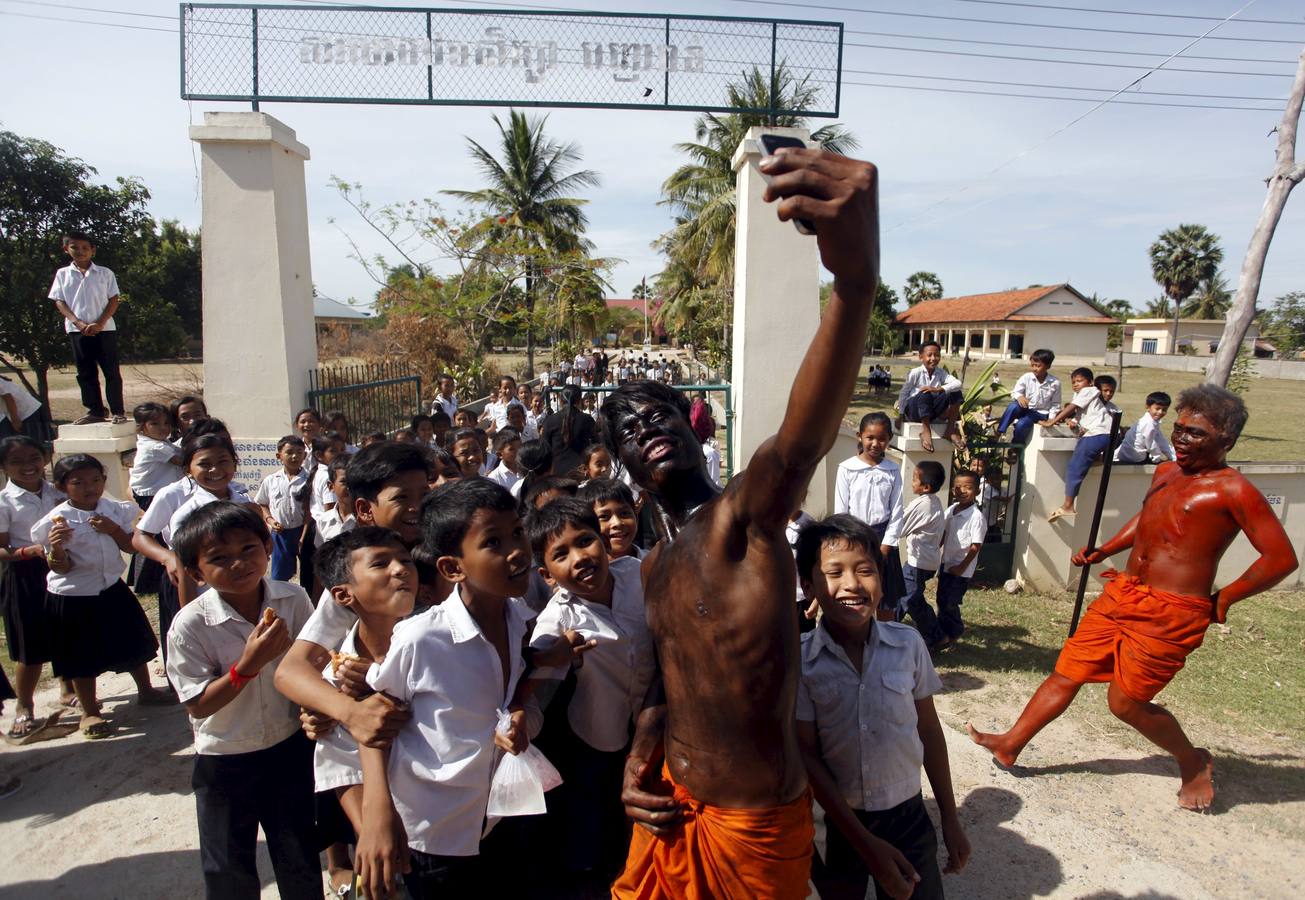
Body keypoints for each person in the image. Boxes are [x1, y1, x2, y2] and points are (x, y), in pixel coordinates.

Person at [604, 148, 918, 898]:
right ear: (620, 465)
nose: (644, 428)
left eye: (658, 416)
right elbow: (675, 686)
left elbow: (798, 440)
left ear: (692, 428)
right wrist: (637, 760)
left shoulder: (741, 519)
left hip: (751, 826)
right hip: (672, 815)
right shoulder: (653, 563)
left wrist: (853, 283)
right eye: (626, 429)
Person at [970, 385, 1298, 811]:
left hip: (1172, 612)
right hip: (1123, 593)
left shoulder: (1234, 490)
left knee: (1125, 703)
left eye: (1195, 433)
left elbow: (1281, 558)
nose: (1181, 438)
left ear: (1226, 440)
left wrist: (1225, 599)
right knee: (1066, 671)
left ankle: (1193, 762)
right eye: (1179, 429)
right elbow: (1148, 519)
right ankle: (1011, 743)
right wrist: (1105, 550)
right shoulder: (1166, 472)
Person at [354, 479, 539, 899]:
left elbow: (512, 685)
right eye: (493, 542)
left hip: (499, 813)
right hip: (435, 832)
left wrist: (518, 706)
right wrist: (377, 813)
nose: (516, 550)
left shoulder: (519, 617)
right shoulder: (421, 638)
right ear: (453, 568)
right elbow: (373, 724)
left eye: (517, 532)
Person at [795, 515, 969, 900]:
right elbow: (806, 756)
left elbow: (929, 733)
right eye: (833, 573)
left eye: (865, 571)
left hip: (908, 817)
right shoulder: (802, 663)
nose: (852, 584)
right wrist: (865, 844)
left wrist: (951, 821)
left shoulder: (908, 645)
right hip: (838, 823)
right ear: (808, 586)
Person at [167, 502, 320, 899]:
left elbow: (312, 663)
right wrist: (248, 664)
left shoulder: (293, 598)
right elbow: (198, 704)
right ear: (197, 572)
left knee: (298, 853)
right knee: (228, 867)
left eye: (248, 549)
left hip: (288, 747)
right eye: (219, 558)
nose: (238, 563)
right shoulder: (190, 625)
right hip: (225, 758)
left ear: (268, 547)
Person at [525, 498, 655, 888]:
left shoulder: (639, 575)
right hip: (600, 737)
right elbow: (531, 677)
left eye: (585, 541)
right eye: (560, 555)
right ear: (547, 575)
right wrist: (551, 656)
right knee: (607, 825)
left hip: (656, 722)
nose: (579, 558)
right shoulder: (557, 620)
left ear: (603, 540)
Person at [272, 442, 427, 764]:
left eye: (425, 494)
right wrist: (342, 709)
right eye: (402, 497)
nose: (418, 507)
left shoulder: (453, 560)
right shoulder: (360, 581)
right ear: (365, 509)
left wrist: (378, 676)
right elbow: (292, 670)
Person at [31, 454, 172, 738]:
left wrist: (114, 530)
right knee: (81, 654)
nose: (89, 487)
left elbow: (131, 547)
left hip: (110, 587)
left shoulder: (113, 510)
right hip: (74, 595)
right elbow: (61, 567)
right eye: (78, 482)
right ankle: (90, 711)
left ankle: (145, 691)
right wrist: (56, 549)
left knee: (132, 640)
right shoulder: (55, 522)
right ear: (61, 486)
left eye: (95, 480)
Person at [311, 527, 419, 899]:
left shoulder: (436, 645)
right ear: (344, 594)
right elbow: (339, 765)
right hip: (393, 844)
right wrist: (372, 828)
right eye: (381, 564)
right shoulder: (336, 678)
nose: (401, 569)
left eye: (405, 560)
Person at [0, 436, 76, 740]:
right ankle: (25, 705)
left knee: (66, 632)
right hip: (25, 574)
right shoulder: (4, 502)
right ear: (4, 466)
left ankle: (67, 687)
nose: (28, 467)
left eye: (33, 458)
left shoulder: (58, 492)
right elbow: (2, 549)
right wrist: (28, 551)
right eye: (16, 462)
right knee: (30, 646)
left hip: (63, 567)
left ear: (45, 457)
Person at [48, 232, 125, 425]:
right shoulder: (63, 274)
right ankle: (95, 410)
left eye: (85, 248)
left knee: (111, 372)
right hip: (78, 330)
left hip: (104, 329)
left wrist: (100, 322)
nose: (80, 252)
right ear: (66, 249)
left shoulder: (105, 273)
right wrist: (77, 322)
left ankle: (117, 410)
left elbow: (113, 299)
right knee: (85, 372)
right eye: (75, 247)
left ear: (92, 250)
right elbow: (60, 301)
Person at [835, 412, 906, 620]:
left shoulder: (892, 470)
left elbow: (897, 510)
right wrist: (849, 540)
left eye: (882, 438)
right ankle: (858, 637)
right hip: (855, 537)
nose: (875, 443)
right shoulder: (847, 469)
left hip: (883, 538)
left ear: (889, 439)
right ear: (860, 436)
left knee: (885, 597)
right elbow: (841, 510)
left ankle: (886, 638)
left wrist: (887, 544)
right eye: (870, 438)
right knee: (856, 593)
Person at [1043, 367, 1114, 522]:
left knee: (1074, 469)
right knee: (1083, 462)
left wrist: (1052, 421)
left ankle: (1068, 506)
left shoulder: (1089, 391)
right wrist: (1070, 421)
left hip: (1098, 434)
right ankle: (1095, 459)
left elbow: (1071, 408)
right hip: (1107, 435)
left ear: (1090, 382)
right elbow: (1077, 416)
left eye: (1079, 381)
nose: (1075, 384)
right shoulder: (1089, 397)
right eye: (1073, 382)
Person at [898, 461, 947, 648]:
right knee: (913, 599)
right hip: (926, 560)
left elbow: (900, 527)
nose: (911, 483)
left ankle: (887, 632)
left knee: (905, 598)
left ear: (925, 487)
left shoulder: (923, 505)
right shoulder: (933, 502)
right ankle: (935, 635)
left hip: (918, 562)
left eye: (914, 479)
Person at [934, 472, 985, 648]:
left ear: (977, 491)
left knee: (951, 602)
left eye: (968, 487)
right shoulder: (951, 510)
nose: (961, 490)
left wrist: (962, 567)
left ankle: (955, 632)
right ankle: (941, 633)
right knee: (941, 599)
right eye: (958, 487)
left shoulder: (976, 517)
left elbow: (975, 546)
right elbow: (944, 533)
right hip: (946, 565)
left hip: (961, 571)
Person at [255, 436, 310, 582]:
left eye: (299, 452)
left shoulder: (310, 480)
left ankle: (308, 602)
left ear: (304, 455)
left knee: (308, 573)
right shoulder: (271, 480)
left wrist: (303, 536)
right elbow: (262, 503)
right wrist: (270, 520)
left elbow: (310, 510)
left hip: (305, 531)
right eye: (289, 452)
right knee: (279, 577)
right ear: (279, 456)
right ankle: (280, 602)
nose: (294, 456)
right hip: (281, 534)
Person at [896, 342, 964, 452]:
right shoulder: (915, 373)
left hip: (930, 411)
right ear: (921, 357)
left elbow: (958, 383)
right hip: (915, 411)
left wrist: (938, 389)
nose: (933, 358)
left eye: (936, 355)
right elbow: (904, 393)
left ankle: (949, 430)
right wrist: (901, 415)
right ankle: (926, 431)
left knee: (955, 392)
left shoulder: (941, 373)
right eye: (929, 355)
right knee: (925, 392)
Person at [995, 349, 1060, 445]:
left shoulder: (1055, 383)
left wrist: (1051, 418)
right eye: (1032, 365)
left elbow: (1056, 403)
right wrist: (1019, 396)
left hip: (1041, 413)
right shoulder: (1027, 377)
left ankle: (1015, 447)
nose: (1034, 368)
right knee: (1013, 406)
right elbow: (1015, 392)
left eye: (1038, 366)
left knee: (1022, 424)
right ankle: (999, 431)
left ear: (1048, 366)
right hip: (1026, 408)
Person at [577, 478, 641, 561]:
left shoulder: (655, 559)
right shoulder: (592, 572)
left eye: (624, 513)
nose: (617, 523)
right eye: (603, 517)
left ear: (635, 516)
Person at [542, 384, 596, 478]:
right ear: (579, 401)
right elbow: (596, 443)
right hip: (581, 472)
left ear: (560, 401)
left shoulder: (550, 421)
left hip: (557, 472)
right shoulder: (587, 419)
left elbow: (544, 448)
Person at [1115, 391, 1177, 464]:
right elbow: (1150, 444)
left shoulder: (1151, 421)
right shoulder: (1148, 423)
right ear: (1147, 407)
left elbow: (1161, 440)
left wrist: (1173, 456)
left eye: (1164, 410)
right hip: (1133, 457)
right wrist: (1156, 459)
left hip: (1131, 454)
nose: (1160, 412)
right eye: (1157, 408)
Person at [313, 456, 355, 548]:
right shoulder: (323, 521)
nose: (350, 486)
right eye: (344, 482)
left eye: (354, 481)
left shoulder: (368, 520)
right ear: (331, 486)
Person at [0, 374, 48, 443]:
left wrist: (15, 419)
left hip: (28, 412)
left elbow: (9, 399)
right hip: (20, 413)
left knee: (33, 444)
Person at [487, 427, 524, 491]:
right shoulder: (494, 478)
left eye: (520, 447)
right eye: (512, 449)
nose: (518, 451)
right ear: (500, 454)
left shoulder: (527, 469)